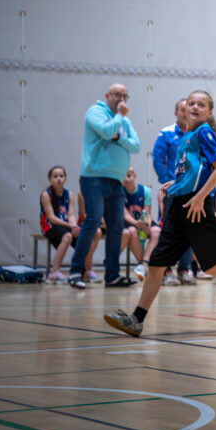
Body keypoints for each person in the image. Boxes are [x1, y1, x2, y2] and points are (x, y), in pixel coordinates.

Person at [104, 90, 216, 336]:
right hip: (179, 206)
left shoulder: (204, 132)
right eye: (191, 103)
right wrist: (175, 184)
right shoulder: (185, 137)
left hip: (196, 207)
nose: (195, 107)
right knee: (156, 263)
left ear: (209, 112)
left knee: (213, 266)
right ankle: (136, 319)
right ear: (185, 109)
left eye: (201, 104)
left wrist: (199, 197)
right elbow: (193, 171)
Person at [71, 84, 140, 289]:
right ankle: (75, 272)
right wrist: (119, 120)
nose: (122, 98)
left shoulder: (124, 120)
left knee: (117, 227)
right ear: (107, 95)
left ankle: (112, 275)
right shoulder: (95, 112)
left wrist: (119, 136)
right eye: (118, 94)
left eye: (125, 95)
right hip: (94, 177)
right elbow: (107, 132)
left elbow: (136, 146)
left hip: (116, 181)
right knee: (92, 222)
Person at [153, 97, 194, 286]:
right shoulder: (166, 133)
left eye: (188, 109)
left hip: (191, 191)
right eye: (182, 110)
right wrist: (167, 183)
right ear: (176, 112)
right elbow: (158, 160)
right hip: (172, 191)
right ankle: (166, 270)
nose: (186, 113)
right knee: (169, 230)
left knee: (189, 230)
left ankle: (184, 269)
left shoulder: (197, 133)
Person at [40, 166, 101, 283]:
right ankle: (54, 272)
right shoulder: (46, 194)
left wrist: (74, 226)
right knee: (67, 236)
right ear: (49, 179)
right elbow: (51, 218)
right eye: (55, 176)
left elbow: (71, 214)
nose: (59, 178)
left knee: (86, 237)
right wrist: (69, 226)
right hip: (49, 225)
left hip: (66, 225)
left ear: (65, 178)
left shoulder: (69, 194)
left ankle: (87, 270)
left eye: (61, 176)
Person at [126, 168, 161, 282]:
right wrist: (137, 224)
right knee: (131, 231)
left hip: (143, 219)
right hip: (130, 222)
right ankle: (141, 264)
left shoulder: (145, 191)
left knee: (156, 231)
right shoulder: (120, 192)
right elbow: (124, 214)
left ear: (134, 176)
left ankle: (145, 263)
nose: (126, 179)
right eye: (124, 177)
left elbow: (147, 212)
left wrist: (147, 224)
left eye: (129, 176)